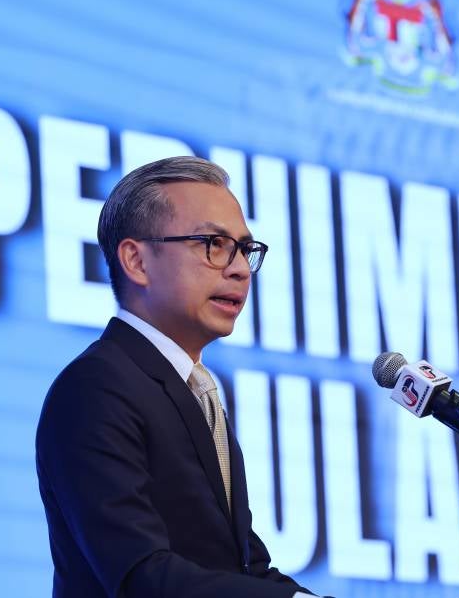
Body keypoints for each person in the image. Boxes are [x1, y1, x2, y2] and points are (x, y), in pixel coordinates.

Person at [36, 157, 313, 597]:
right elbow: (141, 573)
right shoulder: (95, 388)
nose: (240, 268)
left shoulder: (197, 393)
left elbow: (246, 569)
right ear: (137, 261)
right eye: (213, 244)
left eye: (245, 248)